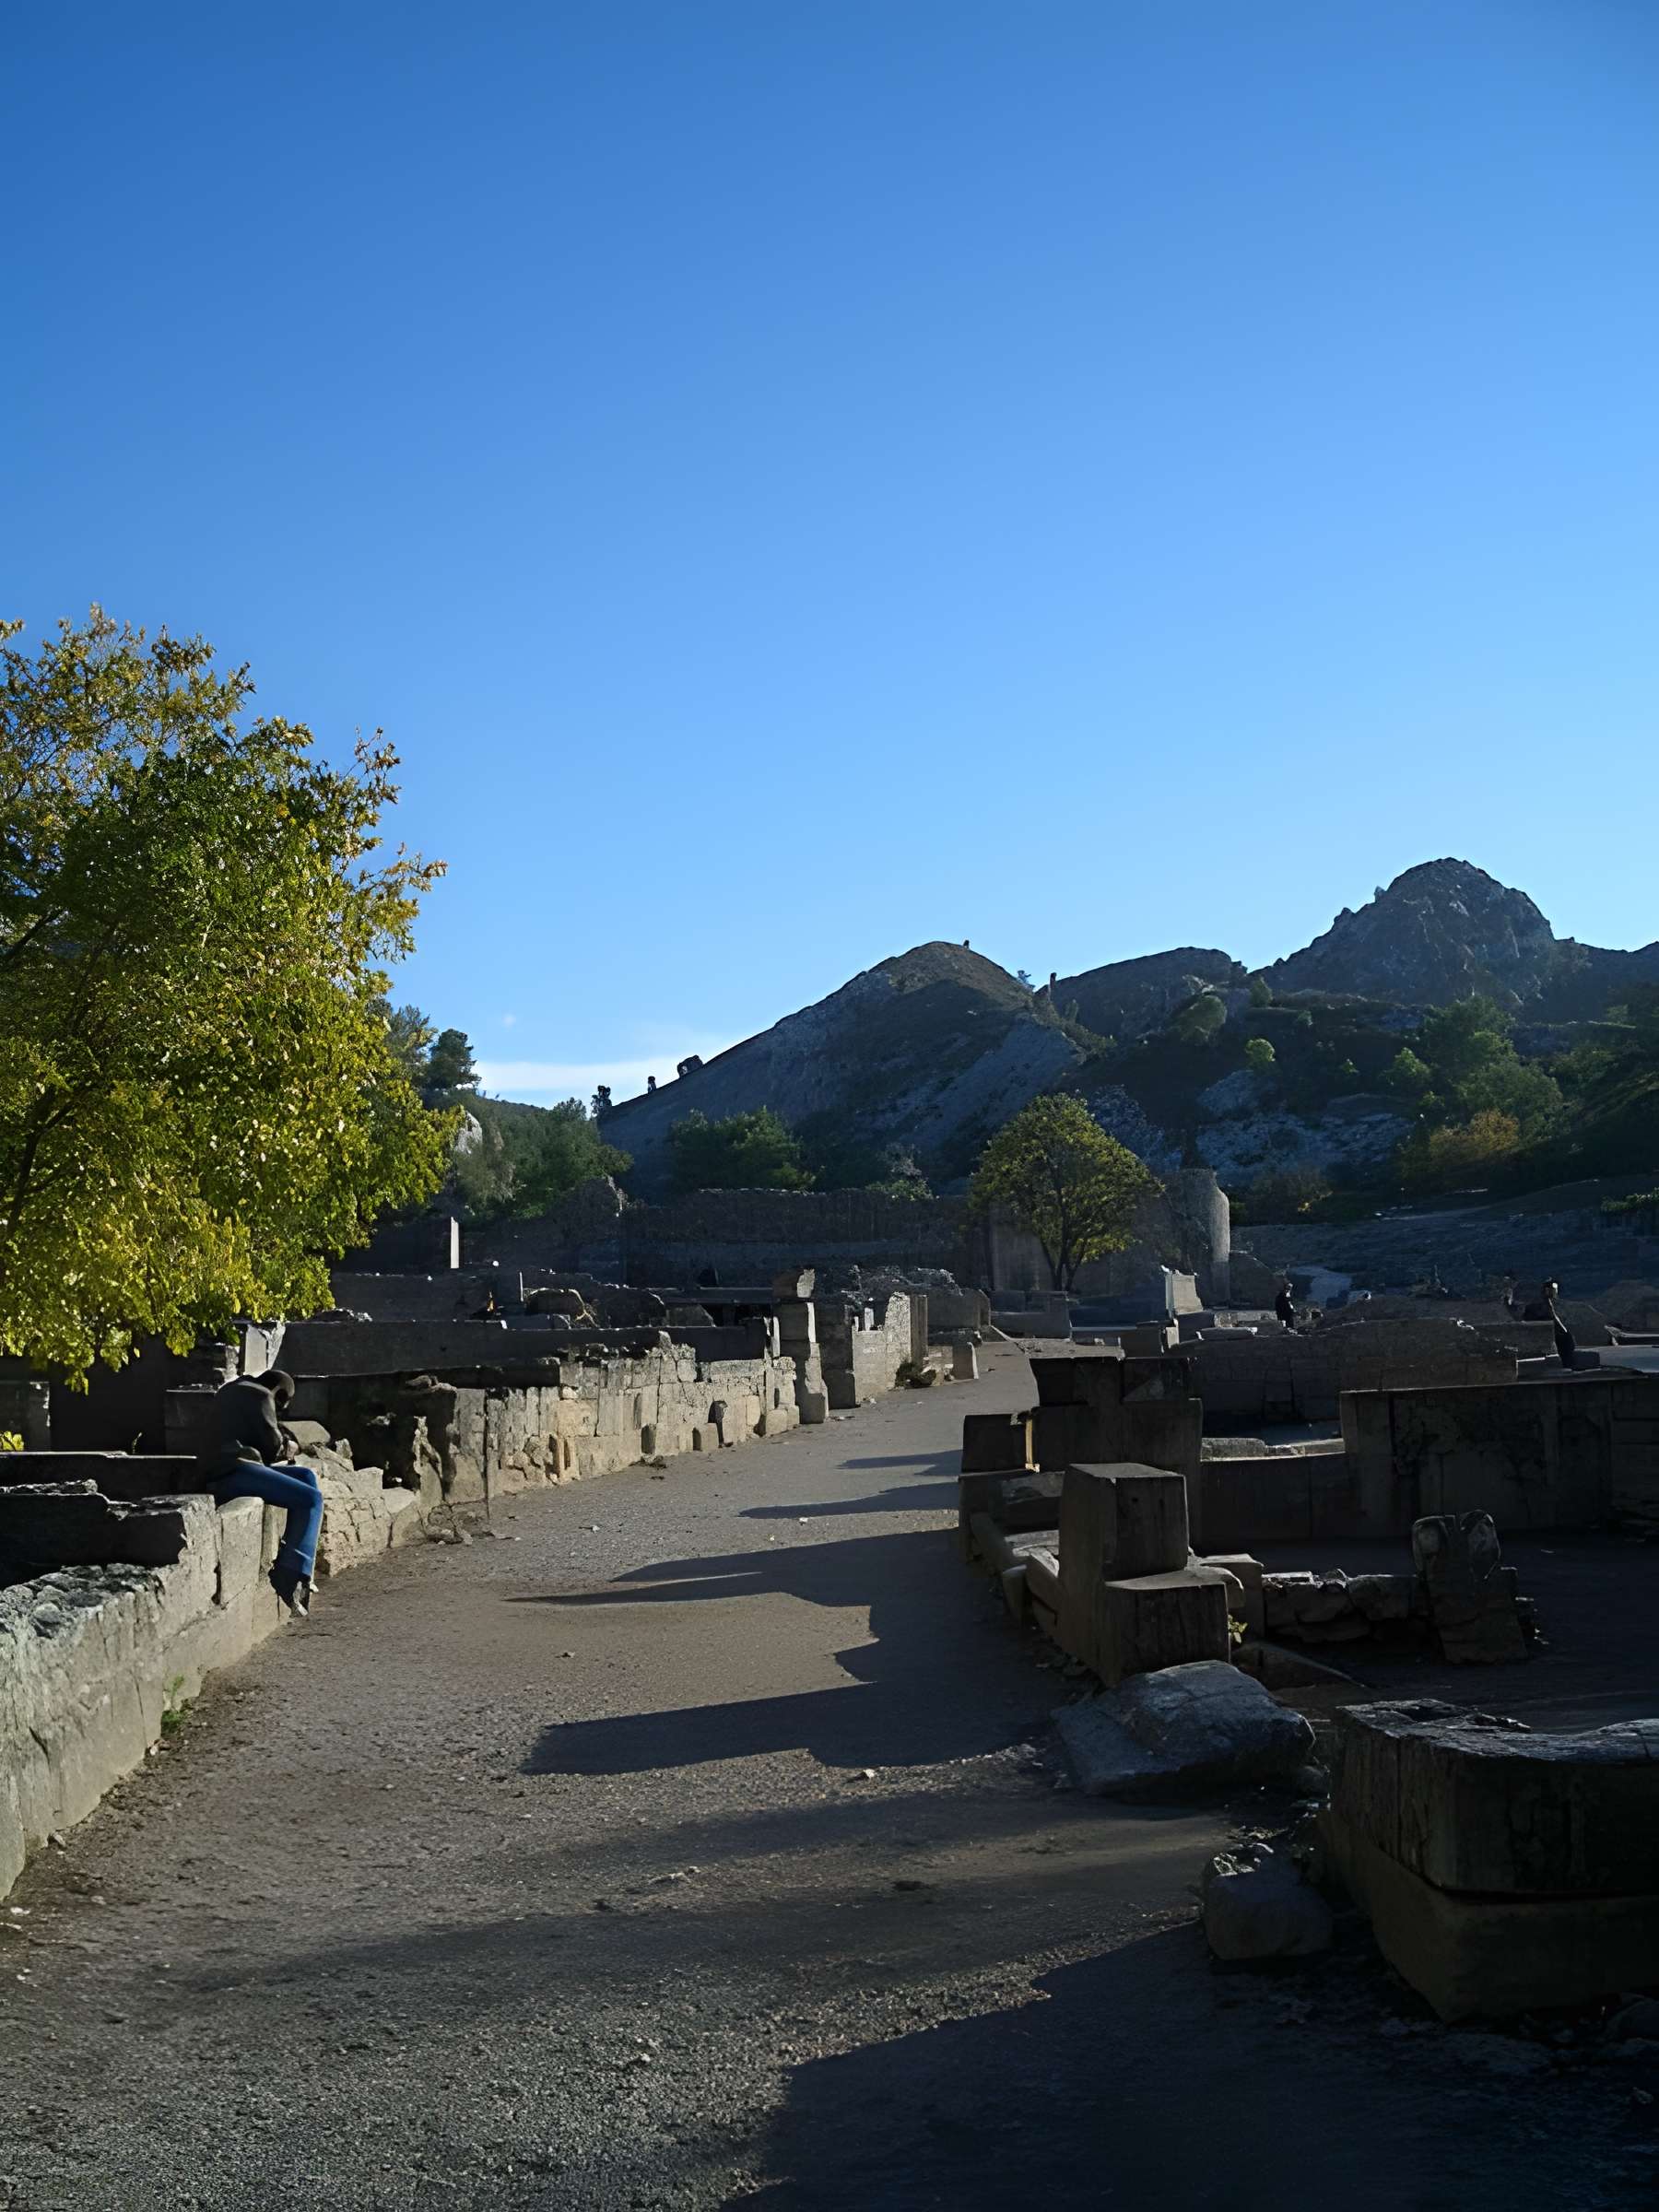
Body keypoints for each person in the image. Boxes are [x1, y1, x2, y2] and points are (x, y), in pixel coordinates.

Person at [206, 1368, 322, 1618]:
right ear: (279, 1394)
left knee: (306, 1477)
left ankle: (299, 1564)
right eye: (281, 1405)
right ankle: (290, 1573)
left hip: (225, 1465)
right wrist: (289, 1448)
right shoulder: (261, 1396)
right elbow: (271, 1448)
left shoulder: (234, 1389)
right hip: (232, 1470)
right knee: (311, 1499)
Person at [1542, 1280, 1577, 1371]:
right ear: (1547, 1290)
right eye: (1554, 1290)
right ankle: (1568, 1365)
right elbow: (1552, 1318)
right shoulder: (1545, 1303)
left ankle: (1568, 1364)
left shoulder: (1547, 1302)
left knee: (1567, 1339)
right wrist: (1564, 1331)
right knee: (1567, 1340)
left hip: (1550, 1330)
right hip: (1550, 1332)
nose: (1556, 1292)